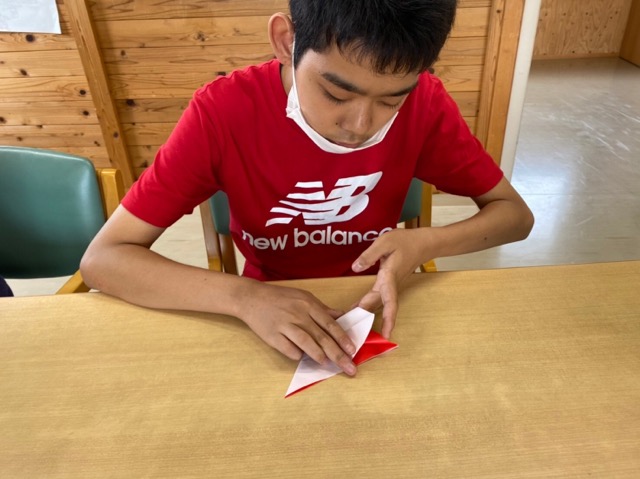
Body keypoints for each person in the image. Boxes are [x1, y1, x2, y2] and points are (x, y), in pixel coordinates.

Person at [81, 0, 534, 377]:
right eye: (336, 94)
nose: (360, 125)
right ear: (286, 41)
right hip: (268, 313)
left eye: (391, 100)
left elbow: (515, 216)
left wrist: (425, 243)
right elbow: (104, 260)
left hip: (379, 307)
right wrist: (244, 298)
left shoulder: (427, 104)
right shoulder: (223, 114)